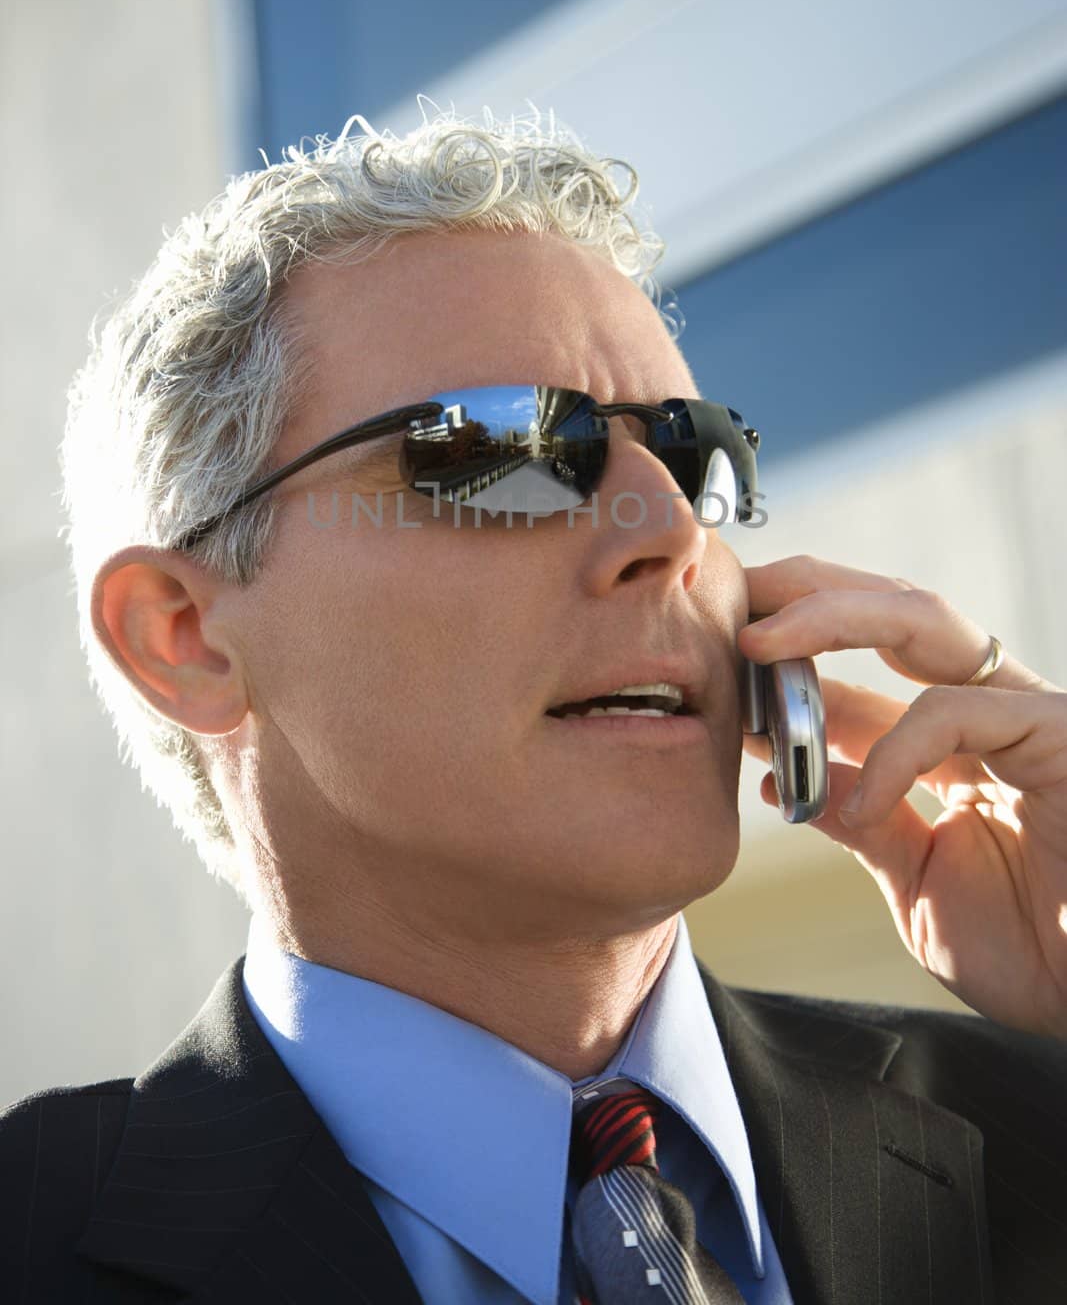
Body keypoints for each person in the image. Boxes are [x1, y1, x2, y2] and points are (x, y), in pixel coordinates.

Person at [2, 108, 1065, 1304]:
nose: (667, 528)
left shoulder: (1034, 1126)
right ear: (183, 637)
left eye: (689, 451)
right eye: (503, 451)